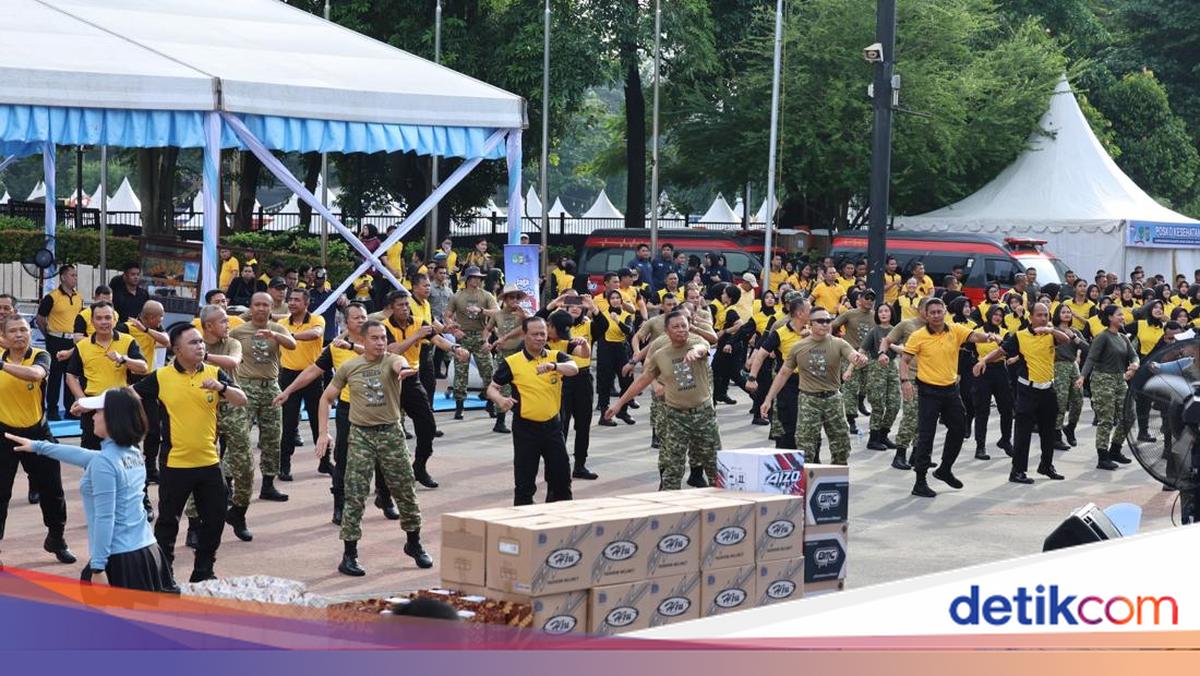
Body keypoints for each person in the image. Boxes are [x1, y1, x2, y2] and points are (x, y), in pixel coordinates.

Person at [6, 387, 175, 592]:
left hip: (119, 559)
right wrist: (38, 446)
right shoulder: (132, 453)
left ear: (114, 419)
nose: (93, 417)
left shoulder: (105, 463)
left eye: (99, 412)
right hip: (147, 551)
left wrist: (98, 567)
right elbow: (82, 454)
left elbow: (106, 518)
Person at [314, 320, 434, 576]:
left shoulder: (391, 360)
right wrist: (323, 433)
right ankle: (349, 555)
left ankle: (414, 543)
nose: (380, 343)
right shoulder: (349, 367)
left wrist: (403, 370)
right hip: (360, 435)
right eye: (375, 338)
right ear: (364, 341)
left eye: (383, 338)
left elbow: (398, 364)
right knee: (355, 494)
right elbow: (326, 398)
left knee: (405, 490)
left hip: (391, 433)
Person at [133, 324, 247, 583]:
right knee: (167, 524)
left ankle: (203, 571)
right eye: (193, 343)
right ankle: (164, 573)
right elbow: (129, 394)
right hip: (175, 463)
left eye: (201, 342)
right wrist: (88, 404)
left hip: (209, 462)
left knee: (215, 519)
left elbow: (242, 399)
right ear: (176, 349)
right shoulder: (161, 377)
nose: (201, 346)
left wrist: (221, 388)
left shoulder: (214, 372)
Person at [606, 311, 717, 489]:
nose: (681, 330)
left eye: (684, 325)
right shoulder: (661, 354)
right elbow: (643, 380)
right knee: (672, 469)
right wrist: (619, 404)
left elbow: (703, 347)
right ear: (666, 330)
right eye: (676, 326)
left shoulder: (696, 341)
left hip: (703, 415)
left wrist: (694, 352)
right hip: (675, 417)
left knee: (714, 465)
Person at [900, 298, 997, 497]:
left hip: (950, 390)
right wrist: (905, 382)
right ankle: (920, 481)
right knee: (926, 436)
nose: (936, 315)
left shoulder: (955, 330)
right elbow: (905, 359)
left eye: (939, 311)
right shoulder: (918, 336)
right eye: (932, 312)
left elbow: (974, 337)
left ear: (945, 312)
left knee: (959, 428)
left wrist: (989, 337)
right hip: (928, 391)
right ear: (926, 315)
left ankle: (945, 469)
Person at [0, 315, 75, 567]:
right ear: (4, 337)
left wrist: (2, 366)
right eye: (13, 331)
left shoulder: (40, 356)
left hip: (37, 433)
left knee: (53, 490)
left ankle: (56, 538)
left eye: (24, 329)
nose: (20, 334)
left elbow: (35, 375)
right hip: (3, 435)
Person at [974, 303, 1071, 484]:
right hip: (1027, 390)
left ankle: (1046, 465)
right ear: (1030, 317)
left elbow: (1066, 339)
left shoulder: (1051, 335)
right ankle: (1017, 471)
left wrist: (1050, 330)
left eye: (1046, 315)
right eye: (1040, 315)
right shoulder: (1020, 336)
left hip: (1047, 389)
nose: (1043, 318)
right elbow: (1001, 351)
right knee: (1023, 433)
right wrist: (984, 361)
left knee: (1048, 432)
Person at [381, 289, 469, 487]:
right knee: (388, 433)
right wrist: (416, 336)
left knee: (428, 426)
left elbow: (436, 339)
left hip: (412, 380)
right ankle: (386, 480)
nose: (405, 308)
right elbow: (393, 350)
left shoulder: (419, 322)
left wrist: (455, 349)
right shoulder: (384, 327)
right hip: (391, 381)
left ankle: (419, 467)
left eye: (406, 304)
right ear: (391, 309)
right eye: (400, 305)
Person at [488, 317, 580, 504]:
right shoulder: (513, 362)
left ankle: (559, 519)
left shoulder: (556, 357)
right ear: (525, 335)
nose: (539, 338)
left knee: (561, 478)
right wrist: (500, 399)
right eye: (535, 334)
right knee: (524, 481)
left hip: (553, 427)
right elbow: (491, 388)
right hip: (525, 429)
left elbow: (574, 368)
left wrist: (552, 367)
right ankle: (523, 520)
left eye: (543, 334)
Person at [760, 307, 867, 464]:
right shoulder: (799, 347)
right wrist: (768, 399)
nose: (825, 324)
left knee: (841, 445)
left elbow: (853, 355)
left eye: (828, 321)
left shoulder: (839, 343)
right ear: (810, 324)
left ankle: (835, 480)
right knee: (805, 446)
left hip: (833, 398)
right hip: (809, 400)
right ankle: (807, 481)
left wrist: (859, 359)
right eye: (820, 321)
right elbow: (783, 374)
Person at [229, 292, 296, 501]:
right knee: (239, 436)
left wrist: (274, 336)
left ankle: (268, 484)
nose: (261, 308)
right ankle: (228, 483)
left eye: (265, 305)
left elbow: (292, 344)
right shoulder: (239, 331)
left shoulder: (277, 328)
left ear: (271, 308)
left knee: (273, 437)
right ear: (251, 307)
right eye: (257, 304)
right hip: (246, 386)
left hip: (271, 387)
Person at [66, 302, 149, 450]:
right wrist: (82, 400)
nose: (103, 322)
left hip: (120, 405)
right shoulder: (83, 346)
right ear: (92, 322)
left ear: (114, 320)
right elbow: (71, 375)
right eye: (99, 318)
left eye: (107, 317)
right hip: (92, 408)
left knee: (127, 455)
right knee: (92, 457)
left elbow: (143, 367)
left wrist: (123, 359)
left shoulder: (127, 341)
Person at [746, 296, 811, 450]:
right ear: (800, 313)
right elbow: (761, 354)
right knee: (790, 426)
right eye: (810, 310)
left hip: (811, 384)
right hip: (788, 384)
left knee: (810, 429)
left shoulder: (814, 330)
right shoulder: (780, 332)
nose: (813, 312)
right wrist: (752, 377)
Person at [278, 287, 327, 481]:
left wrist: (290, 336)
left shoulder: (317, 320)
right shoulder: (282, 323)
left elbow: (315, 334)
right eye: (290, 299)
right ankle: (284, 464)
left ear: (306, 303)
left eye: (297, 300)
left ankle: (324, 462)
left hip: (313, 375)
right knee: (289, 422)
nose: (291, 303)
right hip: (288, 376)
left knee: (318, 421)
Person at [1081, 305, 1137, 470]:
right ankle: (1102, 456)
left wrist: (1134, 364)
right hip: (1102, 379)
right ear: (1110, 318)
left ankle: (1115, 449)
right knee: (1106, 418)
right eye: (1119, 314)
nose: (1122, 317)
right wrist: (1082, 377)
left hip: (1120, 380)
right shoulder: (1102, 337)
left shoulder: (1123, 338)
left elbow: (1133, 355)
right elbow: (1090, 358)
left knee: (1129, 415)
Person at [545, 308, 596, 479]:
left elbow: (584, 354)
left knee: (583, 424)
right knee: (561, 426)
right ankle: (557, 466)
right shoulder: (541, 341)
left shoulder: (566, 341)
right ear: (549, 326)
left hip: (581, 380)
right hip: (560, 385)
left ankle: (580, 465)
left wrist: (584, 344)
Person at [446, 266, 498, 419]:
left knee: (488, 370)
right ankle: (459, 406)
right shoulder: (457, 296)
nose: (477, 280)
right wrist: (454, 330)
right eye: (474, 277)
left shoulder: (486, 295)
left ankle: (490, 403)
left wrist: (481, 311)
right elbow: (447, 315)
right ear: (467, 279)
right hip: (463, 337)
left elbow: (497, 312)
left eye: (479, 278)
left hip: (481, 336)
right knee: (460, 372)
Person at [36, 264, 83, 420]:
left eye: (76, 275)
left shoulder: (78, 297)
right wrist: (48, 334)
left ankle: (71, 409)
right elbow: (40, 318)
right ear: (63, 277)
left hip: (73, 341)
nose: (75, 278)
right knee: (55, 376)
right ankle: (53, 410)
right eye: (72, 275)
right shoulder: (52, 297)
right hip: (56, 339)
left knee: (71, 375)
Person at [970, 305, 1014, 460]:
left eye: (1000, 315)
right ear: (989, 315)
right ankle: (980, 446)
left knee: (1007, 408)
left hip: (1000, 371)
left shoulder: (1004, 332)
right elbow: (971, 350)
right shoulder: (978, 330)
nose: (997, 317)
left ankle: (1005, 440)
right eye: (995, 314)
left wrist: (999, 340)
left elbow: (1009, 350)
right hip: (982, 371)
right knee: (982, 410)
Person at [486, 284, 530, 434]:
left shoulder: (523, 314)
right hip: (503, 355)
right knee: (503, 387)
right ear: (504, 299)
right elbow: (487, 329)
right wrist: (485, 341)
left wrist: (524, 317)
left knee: (522, 387)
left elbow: (529, 327)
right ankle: (500, 421)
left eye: (517, 297)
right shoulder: (497, 315)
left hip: (520, 354)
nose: (514, 300)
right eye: (511, 297)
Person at [831, 289, 877, 434]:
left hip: (868, 355)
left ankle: (861, 401)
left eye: (872, 298)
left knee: (865, 385)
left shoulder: (875, 316)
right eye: (867, 298)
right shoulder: (850, 313)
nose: (870, 301)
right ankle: (851, 420)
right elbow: (833, 325)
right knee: (850, 387)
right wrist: (837, 338)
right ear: (860, 299)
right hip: (851, 354)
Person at [861, 303, 900, 451]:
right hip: (876, 368)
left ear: (891, 314)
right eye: (881, 311)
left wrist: (888, 344)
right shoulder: (874, 331)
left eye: (887, 311)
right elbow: (862, 349)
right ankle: (873, 438)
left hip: (891, 367)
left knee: (895, 404)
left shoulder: (895, 331)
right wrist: (852, 367)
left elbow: (903, 350)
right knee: (878, 405)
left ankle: (883, 435)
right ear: (877, 315)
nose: (883, 314)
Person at [595, 288, 636, 427]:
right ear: (608, 301)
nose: (615, 300)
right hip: (606, 349)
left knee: (627, 380)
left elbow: (630, 331)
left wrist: (618, 321)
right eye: (612, 298)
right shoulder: (602, 315)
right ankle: (604, 415)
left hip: (621, 349)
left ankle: (622, 410)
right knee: (604, 383)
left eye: (617, 298)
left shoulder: (625, 315)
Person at [1052, 304, 1088, 450]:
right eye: (1063, 312)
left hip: (1073, 366)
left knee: (1078, 400)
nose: (1067, 314)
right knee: (1061, 402)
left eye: (1069, 312)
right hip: (1058, 366)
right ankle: (1056, 435)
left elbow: (1088, 349)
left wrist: (1074, 338)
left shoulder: (1075, 331)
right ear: (1057, 314)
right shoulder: (1052, 330)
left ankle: (1070, 427)